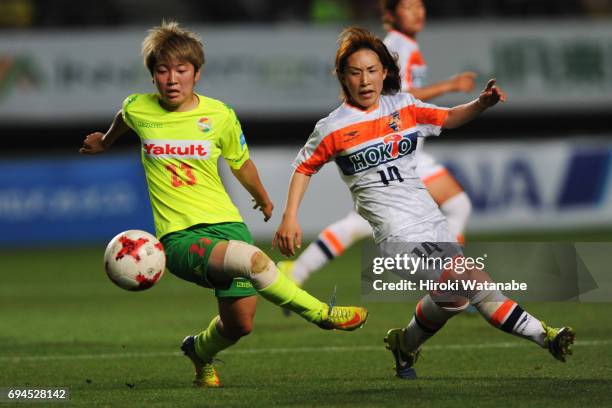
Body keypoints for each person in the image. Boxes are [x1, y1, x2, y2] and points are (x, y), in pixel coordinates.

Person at [274, 26, 574, 379]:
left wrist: (480, 104)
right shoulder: (332, 128)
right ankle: (547, 336)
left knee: (454, 299)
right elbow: (304, 167)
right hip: (397, 236)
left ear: (384, 72)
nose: (365, 80)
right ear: (342, 77)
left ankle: (405, 344)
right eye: (355, 72)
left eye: (372, 71)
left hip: (433, 224)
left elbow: (447, 118)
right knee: (471, 280)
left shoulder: (403, 106)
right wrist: (290, 216)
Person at [79, 21, 367, 388]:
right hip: (179, 237)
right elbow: (124, 118)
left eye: (181, 70)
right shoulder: (139, 108)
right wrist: (105, 141)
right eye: (163, 71)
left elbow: (239, 161)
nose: (172, 79)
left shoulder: (219, 115)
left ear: (196, 73)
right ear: (152, 76)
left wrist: (262, 196)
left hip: (228, 225)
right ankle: (322, 313)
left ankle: (199, 350)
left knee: (240, 324)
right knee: (254, 262)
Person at [277, 0, 474, 289]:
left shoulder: (406, 44)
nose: (417, 12)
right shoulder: (397, 45)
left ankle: (297, 272)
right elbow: (398, 94)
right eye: (408, 7)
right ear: (391, 15)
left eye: (419, 6)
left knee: (359, 224)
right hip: (396, 151)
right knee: (458, 204)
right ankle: (454, 280)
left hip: (402, 150)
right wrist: (450, 86)